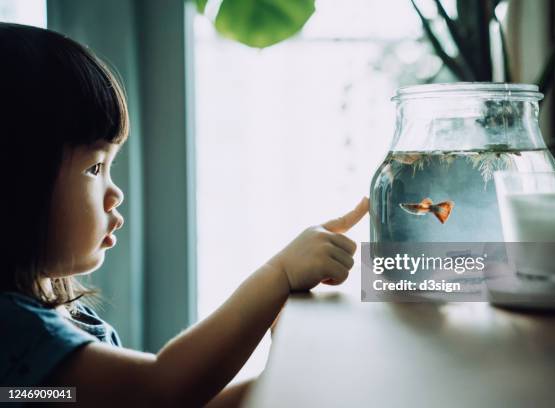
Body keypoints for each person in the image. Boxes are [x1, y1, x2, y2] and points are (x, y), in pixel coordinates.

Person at [0, 23, 369, 407]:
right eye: (94, 168)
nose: (115, 193)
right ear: (17, 181)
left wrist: (283, 371)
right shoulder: (10, 332)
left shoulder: (55, 338)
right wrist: (278, 275)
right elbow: (159, 391)